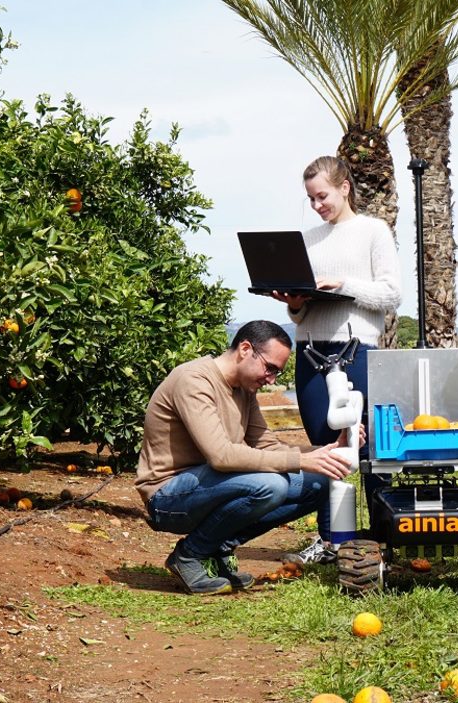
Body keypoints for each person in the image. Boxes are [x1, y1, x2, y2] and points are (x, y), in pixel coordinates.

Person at [134, 321, 354, 595]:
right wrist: (299, 461)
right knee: (271, 485)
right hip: (168, 496)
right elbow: (221, 456)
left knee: (319, 483)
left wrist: (329, 450)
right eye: (270, 368)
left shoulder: (244, 390)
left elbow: (268, 446)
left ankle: (218, 548)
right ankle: (189, 556)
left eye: (278, 372)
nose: (272, 379)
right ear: (245, 349)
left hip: (210, 487)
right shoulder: (194, 380)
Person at [270, 155, 402, 565]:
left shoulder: (372, 231)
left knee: (370, 448)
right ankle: (333, 542)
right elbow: (300, 314)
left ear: (345, 187)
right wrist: (294, 303)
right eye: (310, 199)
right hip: (311, 352)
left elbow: (391, 294)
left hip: (357, 350)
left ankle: (383, 538)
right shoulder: (308, 239)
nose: (317, 205)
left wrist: (343, 285)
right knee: (327, 450)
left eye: (322, 195)